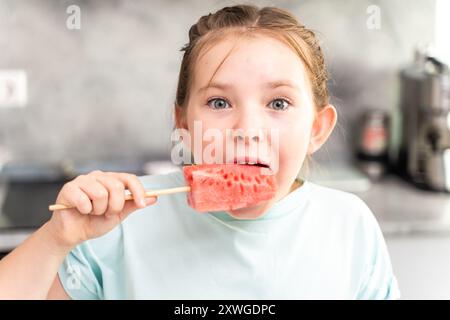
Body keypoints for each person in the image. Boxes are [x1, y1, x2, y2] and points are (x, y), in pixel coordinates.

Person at [0, 4, 400, 299]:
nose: (247, 130)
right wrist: (57, 238)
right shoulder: (119, 223)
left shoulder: (350, 228)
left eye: (278, 104)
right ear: (184, 124)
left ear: (317, 129)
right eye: (219, 103)